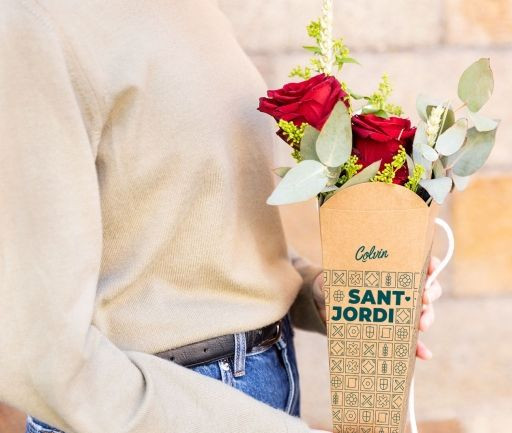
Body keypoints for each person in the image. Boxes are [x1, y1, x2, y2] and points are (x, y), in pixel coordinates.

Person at [0, 1, 443, 432]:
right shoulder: (36, 22)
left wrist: (324, 294)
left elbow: (197, 223)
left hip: (270, 376)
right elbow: (41, 355)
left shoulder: (197, 11)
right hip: (162, 409)